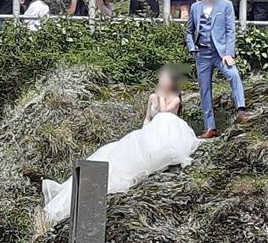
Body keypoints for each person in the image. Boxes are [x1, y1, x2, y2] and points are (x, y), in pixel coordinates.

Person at [43, 68, 200, 223]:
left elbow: (165, 112)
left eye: (164, 79)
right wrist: (144, 131)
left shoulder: (174, 98)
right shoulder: (153, 96)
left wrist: (160, 97)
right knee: (111, 153)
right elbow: (147, 118)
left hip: (167, 127)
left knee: (159, 133)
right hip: (150, 130)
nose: (161, 81)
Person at [186, 0, 249, 139]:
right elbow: (189, 31)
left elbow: (231, 31)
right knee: (205, 89)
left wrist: (228, 53)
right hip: (202, 53)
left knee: (233, 74)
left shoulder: (226, 5)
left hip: (220, 53)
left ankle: (241, 110)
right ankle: (210, 127)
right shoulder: (195, 7)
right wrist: (193, 48)